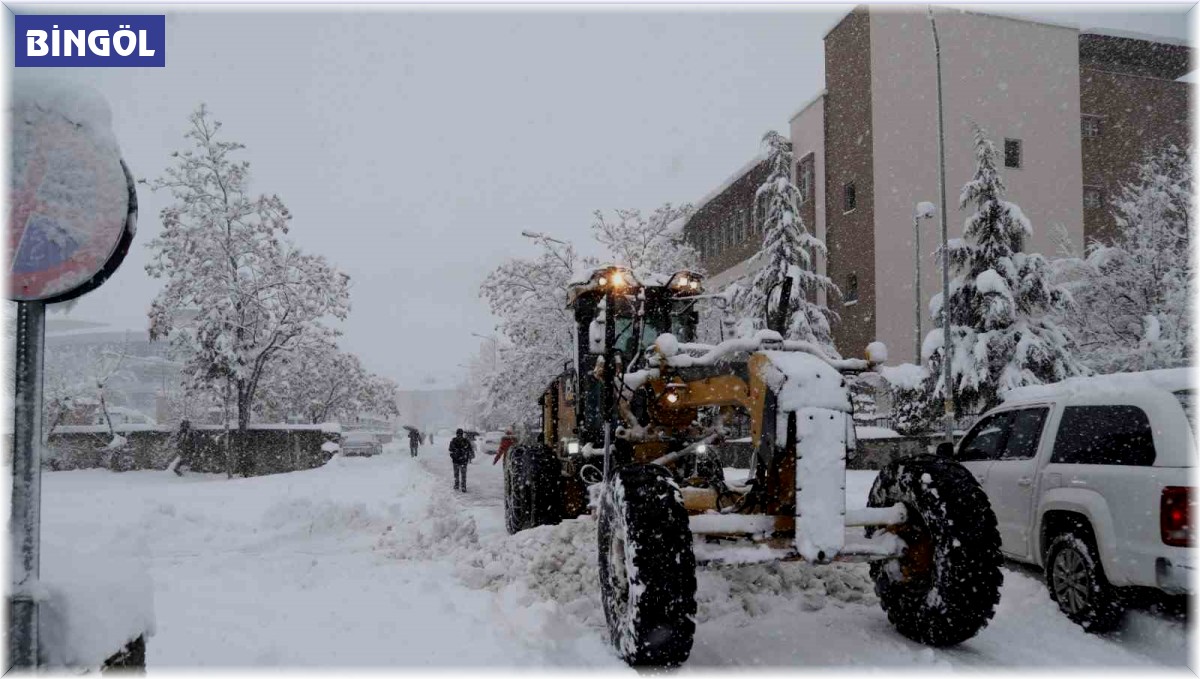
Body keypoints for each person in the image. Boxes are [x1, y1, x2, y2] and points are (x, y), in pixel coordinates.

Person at [449, 428, 473, 492]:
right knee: (462, 474)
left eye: (460, 434)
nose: (459, 435)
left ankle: (458, 485)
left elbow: (450, 450)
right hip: (462, 460)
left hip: (459, 460)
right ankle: (462, 486)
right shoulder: (465, 441)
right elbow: (470, 450)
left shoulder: (454, 441)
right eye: (459, 434)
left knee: (457, 474)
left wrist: (454, 455)